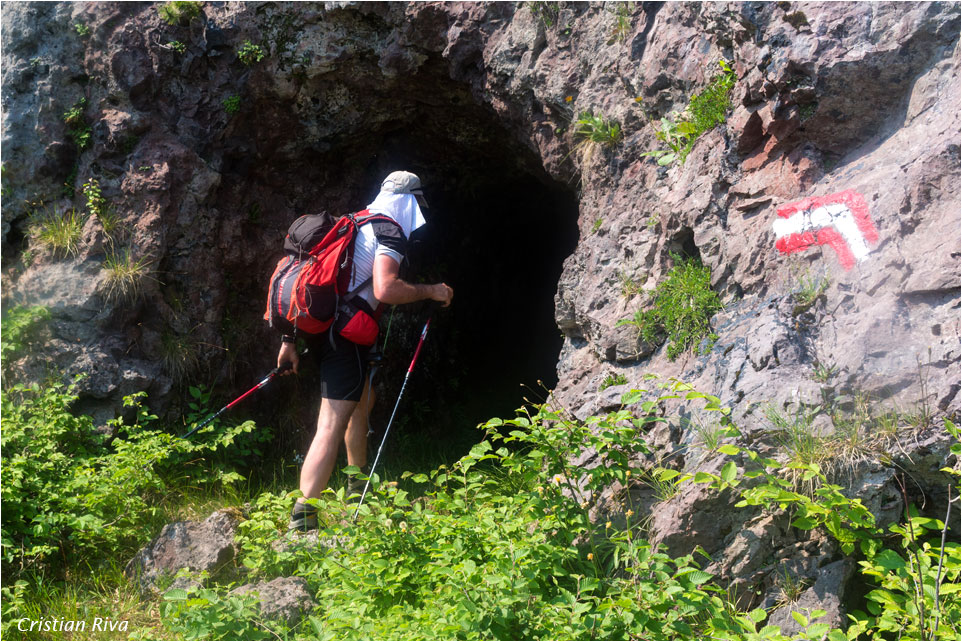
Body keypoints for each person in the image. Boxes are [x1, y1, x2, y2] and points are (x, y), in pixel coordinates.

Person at [278, 171, 453, 531]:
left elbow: (309, 277)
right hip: (345, 339)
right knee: (330, 423)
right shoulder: (388, 230)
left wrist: (287, 340)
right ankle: (304, 514)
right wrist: (432, 291)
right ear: (409, 202)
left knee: (361, 403)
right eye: (418, 204)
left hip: (322, 329)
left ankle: (358, 483)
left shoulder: (353, 222)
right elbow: (385, 288)